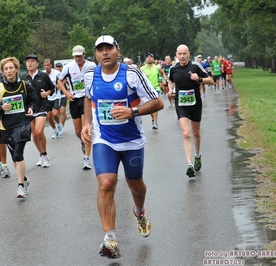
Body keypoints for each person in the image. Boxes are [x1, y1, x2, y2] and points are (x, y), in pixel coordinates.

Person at [81, 35, 164, 259]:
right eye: (100, 49)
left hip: (132, 140)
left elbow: (158, 102)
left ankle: (139, 212)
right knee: (106, 184)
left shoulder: (132, 74)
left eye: (109, 48)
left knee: (135, 185)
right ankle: (110, 239)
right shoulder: (90, 75)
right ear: (95, 54)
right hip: (104, 139)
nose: (105, 52)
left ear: (118, 50)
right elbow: (88, 99)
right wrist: (87, 123)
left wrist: (132, 111)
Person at [0, 57, 37, 198]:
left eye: (11, 68)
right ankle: (24, 179)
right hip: (7, 127)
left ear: (16, 69)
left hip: (23, 124)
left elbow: (34, 100)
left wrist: (31, 108)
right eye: (6, 69)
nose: (9, 71)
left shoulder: (25, 85)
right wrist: (1, 108)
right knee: (15, 157)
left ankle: (20, 186)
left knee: (18, 155)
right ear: (3, 71)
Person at [168, 44, 214, 178]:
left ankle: (197, 155)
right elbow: (170, 81)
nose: (182, 56)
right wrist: (170, 89)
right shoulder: (173, 68)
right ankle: (189, 164)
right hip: (181, 104)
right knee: (186, 134)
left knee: (196, 132)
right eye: (179, 54)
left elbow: (210, 80)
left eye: (184, 54)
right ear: (176, 55)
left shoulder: (195, 67)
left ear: (189, 54)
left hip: (195, 104)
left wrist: (199, 79)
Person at [57, 45, 96, 170]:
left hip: (87, 99)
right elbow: (59, 81)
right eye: (76, 56)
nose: (78, 58)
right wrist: (66, 93)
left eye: (80, 55)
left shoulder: (91, 66)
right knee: (78, 131)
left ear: (84, 54)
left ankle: (86, 159)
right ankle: (83, 141)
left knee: (86, 128)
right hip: (74, 100)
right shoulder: (68, 67)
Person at [21, 54, 55, 168]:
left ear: (37, 64)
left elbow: (52, 88)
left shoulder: (43, 76)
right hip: (29, 109)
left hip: (42, 106)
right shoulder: (23, 78)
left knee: (39, 131)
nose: (29, 63)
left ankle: (45, 154)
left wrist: (47, 93)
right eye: (28, 62)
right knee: (34, 134)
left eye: (32, 61)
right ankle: (41, 154)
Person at [141, 52, 162, 129]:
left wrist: (162, 81)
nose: (149, 58)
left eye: (151, 57)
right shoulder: (142, 69)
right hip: (146, 90)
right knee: (150, 107)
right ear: (145, 59)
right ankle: (153, 119)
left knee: (155, 105)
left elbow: (161, 75)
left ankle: (155, 122)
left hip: (156, 88)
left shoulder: (157, 67)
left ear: (153, 59)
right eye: (147, 57)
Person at [43, 58, 62, 139]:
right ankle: (55, 130)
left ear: (51, 65)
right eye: (45, 65)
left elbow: (62, 80)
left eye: (48, 65)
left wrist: (59, 85)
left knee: (55, 113)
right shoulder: (42, 74)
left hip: (56, 96)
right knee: (49, 116)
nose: (46, 67)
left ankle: (59, 124)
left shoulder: (57, 73)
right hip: (47, 98)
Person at [54, 62, 68, 132]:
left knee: (62, 110)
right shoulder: (54, 75)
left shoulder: (64, 74)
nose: (58, 68)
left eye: (60, 67)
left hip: (63, 94)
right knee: (56, 112)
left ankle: (62, 126)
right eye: (57, 67)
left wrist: (60, 84)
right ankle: (59, 124)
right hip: (56, 96)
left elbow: (64, 82)